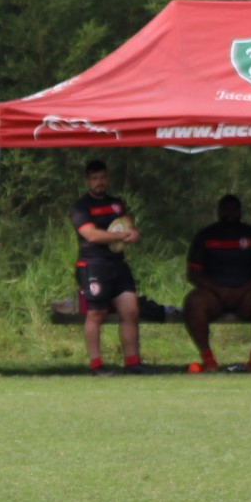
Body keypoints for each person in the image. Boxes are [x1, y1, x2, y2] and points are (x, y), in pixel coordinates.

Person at [71, 160, 150, 375]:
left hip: (118, 265)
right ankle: (97, 366)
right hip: (93, 265)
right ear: (88, 181)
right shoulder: (81, 206)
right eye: (95, 178)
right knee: (96, 313)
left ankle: (132, 362)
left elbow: (128, 223)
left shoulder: (117, 203)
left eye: (103, 178)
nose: (100, 182)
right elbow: (91, 234)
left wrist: (133, 232)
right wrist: (119, 235)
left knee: (131, 310)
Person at [184, 194, 251, 373]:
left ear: (241, 211)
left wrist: (241, 290)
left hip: (246, 294)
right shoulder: (205, 235)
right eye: (226, 209)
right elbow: (194, 274)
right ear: (218, 211)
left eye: (234, 209)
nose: (230, 213)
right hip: (213, 295)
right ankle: (208, 360)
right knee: (193, 302)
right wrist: (219, 290)